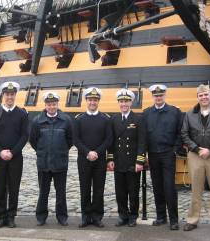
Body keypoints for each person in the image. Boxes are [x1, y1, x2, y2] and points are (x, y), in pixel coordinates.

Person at [181, 84, 210, 233]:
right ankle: (193, 219)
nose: (204, 97)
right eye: (201, 95)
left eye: (206, 94)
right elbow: (184, 134)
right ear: (197, 97)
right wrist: (196, 148)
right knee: (196, 190)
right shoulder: (189, 114)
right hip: (195, 155)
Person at [0, 81, 29, 228]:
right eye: (7, 94)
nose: (10, 97)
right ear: (3, 95)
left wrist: (12, 152)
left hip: (15, 158)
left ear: (15, 95)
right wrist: (1, 151)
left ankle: (11, 217)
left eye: (12, 94)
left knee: (13, 188)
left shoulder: (22, 114)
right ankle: (1, 216)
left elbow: (24, 136)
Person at [29, 92, 73, 226]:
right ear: (45, 105)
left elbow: (70, 140)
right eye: (49, 104)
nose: (51, 107)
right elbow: (33, 140)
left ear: (57, 104)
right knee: (43, 191)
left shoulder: (66, 120)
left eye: (54, 104)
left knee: (61, 192)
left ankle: (62, 217)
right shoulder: (37, 121)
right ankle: (41, 216)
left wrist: (61, 151)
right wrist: (42, 152)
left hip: (60, 162)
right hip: (44, 163)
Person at [143, 84, 182, 230]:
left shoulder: (174, 112)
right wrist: (144, 154)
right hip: (153, 154)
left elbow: (180, 132)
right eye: (156, 95)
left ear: (165, 95)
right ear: (152, 96)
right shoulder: (147, 113)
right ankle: (161, 216)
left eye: (161, 95)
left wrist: (175, 149)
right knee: (157, 186)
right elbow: (144, 135)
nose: (158, 98)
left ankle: (173, 219)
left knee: (169, 187)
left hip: (168, 153)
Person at [73, 87, 112, 228]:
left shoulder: (105, 119)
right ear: (86, 101)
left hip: (100, 159)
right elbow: (76, 139)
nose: (92, 102)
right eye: (90, 100)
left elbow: (108, 139)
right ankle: (85, 216)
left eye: (95, 100)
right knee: (84, 189)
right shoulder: (79, 119)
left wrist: (97, 152)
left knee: (98, 190)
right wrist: (88, 152)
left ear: (98, 101)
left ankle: (97, 217)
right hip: (84, 159)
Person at [107, 89, 146, 227]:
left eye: (126, 101)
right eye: (121, 101)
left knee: (133, 191)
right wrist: (110, 159)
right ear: (118, 102)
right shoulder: (114, 119)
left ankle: (133, 216)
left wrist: (140, 160)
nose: (124, 104)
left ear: (131, 102)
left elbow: (142, 141)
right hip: (118, 161)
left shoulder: (138, 119)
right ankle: (123, 215)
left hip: (133, 162)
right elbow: (111, 141)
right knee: (120, 192)